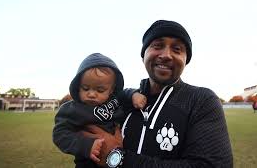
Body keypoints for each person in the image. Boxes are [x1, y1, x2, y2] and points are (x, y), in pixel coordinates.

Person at [83, 20, 233, 168]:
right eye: (158, 46)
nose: (166, 54)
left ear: (186, 60)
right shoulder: (121, 102)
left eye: (177, 49)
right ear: (143, 55)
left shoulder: (201, 100)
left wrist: (119, 158)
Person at [52, 53, 146, 168]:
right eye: (85, 88)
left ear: (111, 90)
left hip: (118, 156)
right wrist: (86, 145)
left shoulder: (114, 100)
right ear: (78, 86)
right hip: (89, 162)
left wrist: (134, 95)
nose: (91, 94)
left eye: (100, 90)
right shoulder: (72, 109)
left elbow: (125, 93)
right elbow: (59, 134)